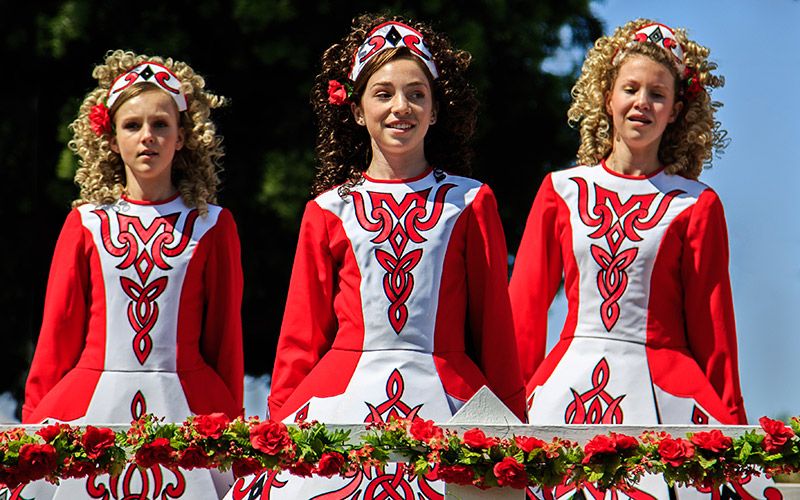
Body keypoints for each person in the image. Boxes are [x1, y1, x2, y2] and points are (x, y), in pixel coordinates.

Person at [227, 13, 525, 499]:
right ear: (356, 109)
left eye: (416, 94)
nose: (400, 107)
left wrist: (515, 427)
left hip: (450, 401)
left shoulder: (471, 200)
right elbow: (300, 339)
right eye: (383, 93)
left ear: (435, 110)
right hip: (339, 401)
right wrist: (277, 429)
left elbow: (495, 332)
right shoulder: (327, 209)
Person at [509, 19, 781, 499]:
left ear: (676, 110)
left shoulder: (697, 203)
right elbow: (523, 314)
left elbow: (713, 330)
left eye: (657, 94)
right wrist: (504, 413)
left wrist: (735, 433)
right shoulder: (560, 190)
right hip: (563, 391)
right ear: (607, 97)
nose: (642, 103)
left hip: (667, 398)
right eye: (630, 88)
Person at [17, 49, 243, 499]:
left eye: (161, 124)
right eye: (132, 125)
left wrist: (230, 423)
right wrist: (31, 428)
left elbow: (225, 340)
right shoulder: (85, 223)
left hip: (189, 407)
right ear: (112, 138)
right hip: (90, 406)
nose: (148, 137)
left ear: (183, 137)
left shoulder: (213, 224)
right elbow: (56, 340)